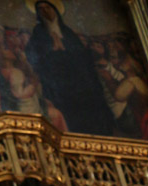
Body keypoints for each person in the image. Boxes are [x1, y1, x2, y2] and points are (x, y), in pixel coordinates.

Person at [25, 0, 117, 137]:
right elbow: (35, 57)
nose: (45, 11)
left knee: (93, 109)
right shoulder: (38, 33)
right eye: (41, 9)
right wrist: (53, 49)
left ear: (55, 10)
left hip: (80, 79)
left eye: (48, 7)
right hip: (58, 82)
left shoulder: (68, 33)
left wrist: (64, 49)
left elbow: (82, 56)